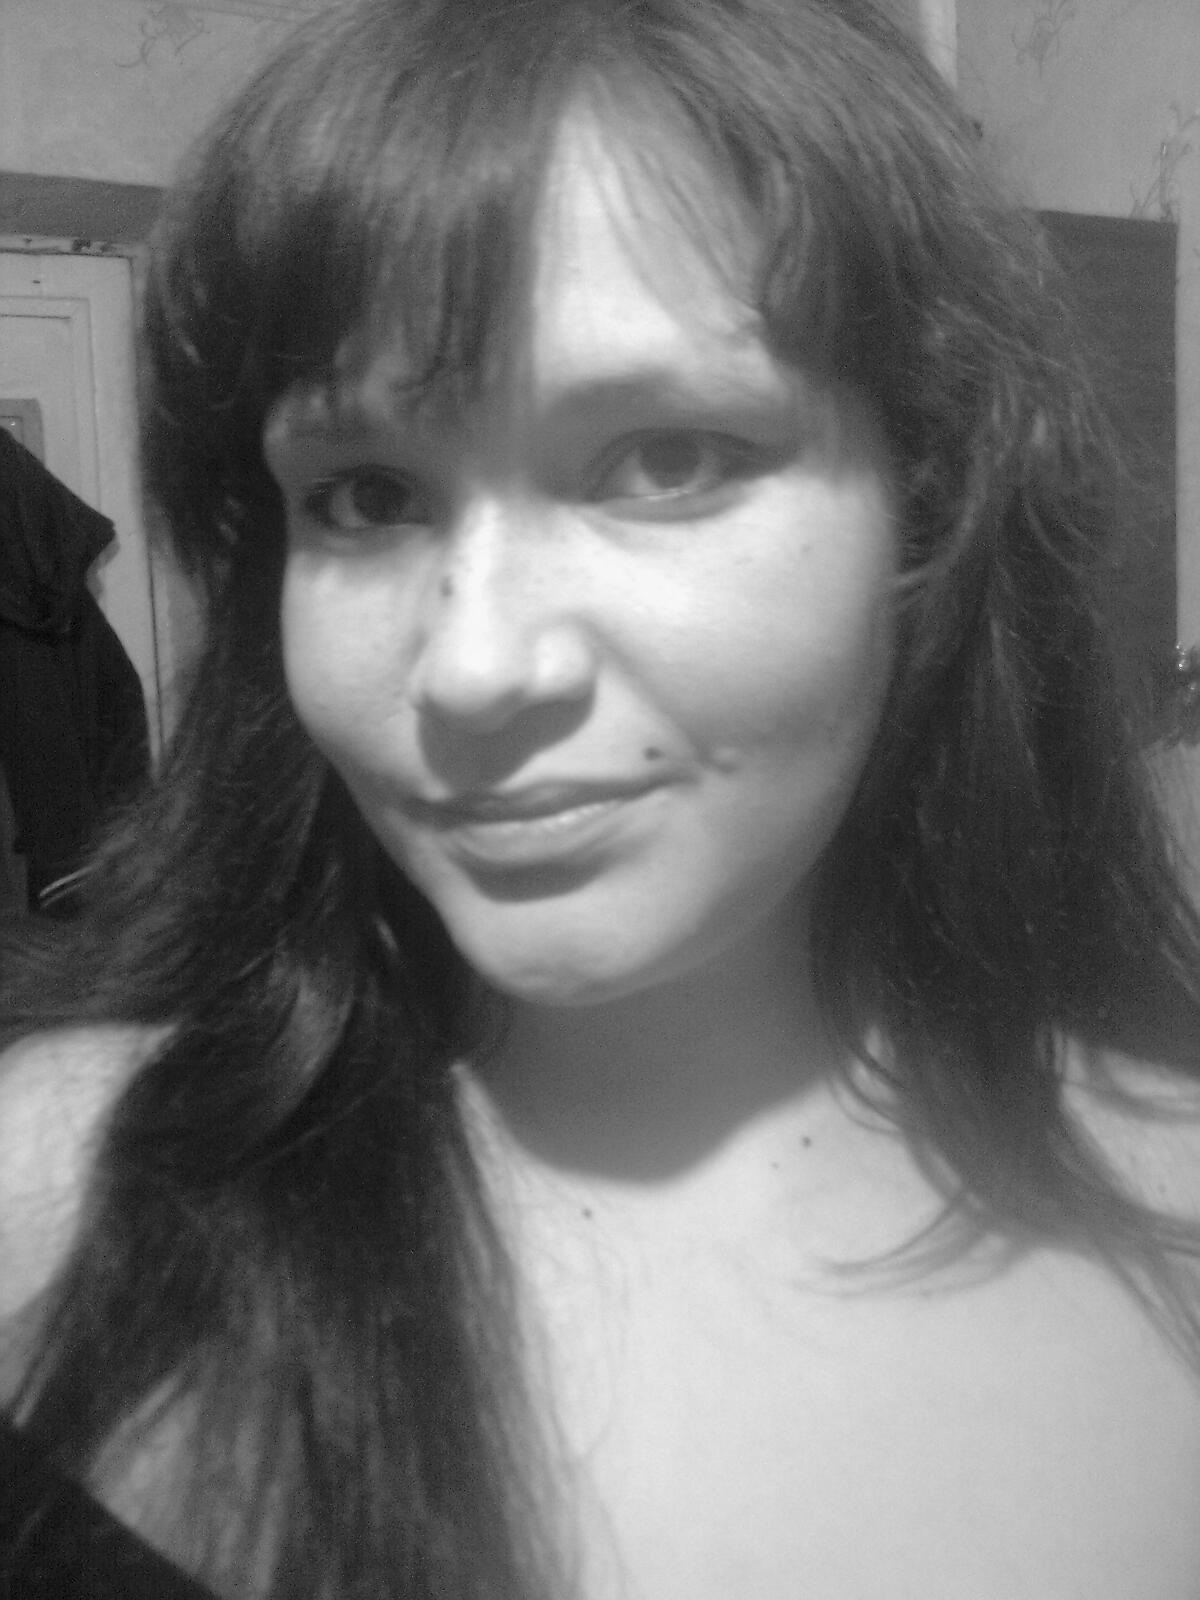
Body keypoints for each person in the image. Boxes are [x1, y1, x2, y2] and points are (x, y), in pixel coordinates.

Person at [3, 0, 1200, 1594]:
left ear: (931, 517)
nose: (475, 668)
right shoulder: (56, 1185)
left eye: (666, 459)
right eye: (365, 496)